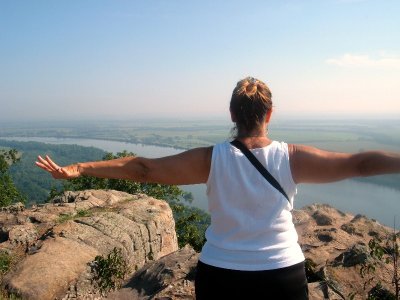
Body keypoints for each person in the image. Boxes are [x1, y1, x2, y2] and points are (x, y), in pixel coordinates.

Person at [36, 77, 400, 299]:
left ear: (231, 114)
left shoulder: (211, 159)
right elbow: (360, 163)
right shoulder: (292, 158)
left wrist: (79, 168)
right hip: (281, 274)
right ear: (269, 115)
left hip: (221, 275)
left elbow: (143, 169)